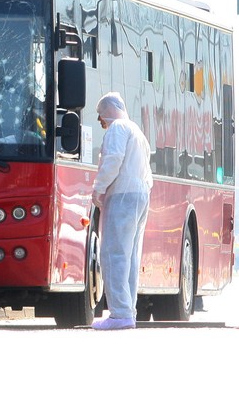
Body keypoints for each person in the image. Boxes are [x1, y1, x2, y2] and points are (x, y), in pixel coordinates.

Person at [90, 92, 153, 330]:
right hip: (140, 195)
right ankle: (128, 311)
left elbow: (113, 160)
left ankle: (119, 313)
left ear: (108, 111)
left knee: (113, 254)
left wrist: (98, 188)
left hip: (122, 195)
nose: (100, 121)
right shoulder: (137, 131)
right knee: (130, 257)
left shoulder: (117, 129)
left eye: (100, 114)